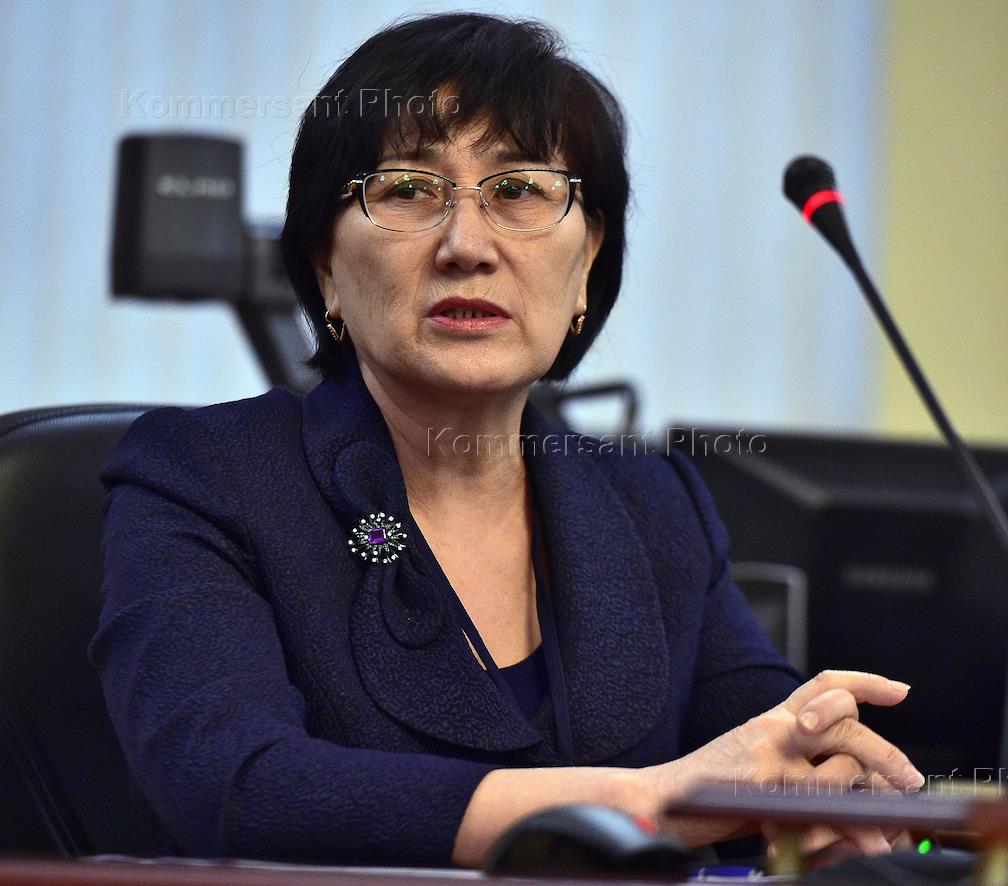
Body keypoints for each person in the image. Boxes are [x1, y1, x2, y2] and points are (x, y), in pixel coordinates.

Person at [90, 12, 922, 868]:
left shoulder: (652, 504)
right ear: (325, 265)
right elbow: (238, 787)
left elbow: (762, 745)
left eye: (520, 189)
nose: (467, 246)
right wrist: (647, 804)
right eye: (409, 190)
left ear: (588, 261)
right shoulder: (205, 479)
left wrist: (826, 781)